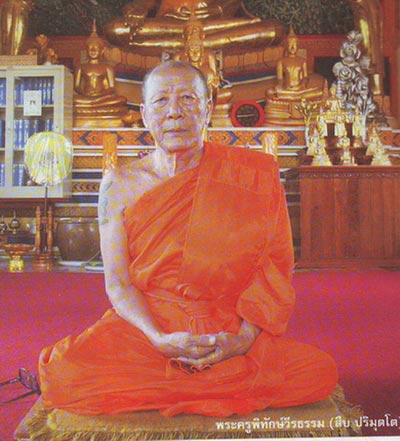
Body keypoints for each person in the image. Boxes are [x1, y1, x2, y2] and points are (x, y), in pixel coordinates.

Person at [39, 60, 338, 417]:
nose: (174, 112)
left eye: (187, 98)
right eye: (161, 100)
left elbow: (273, 269)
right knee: (65, 372)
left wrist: (243, 340)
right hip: (149, 325)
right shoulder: (119, 184)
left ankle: (195, 380)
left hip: (225, 325)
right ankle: (214, 384)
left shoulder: (251, 175)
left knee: (318, 371)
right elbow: (118, 283)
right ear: (144, 114)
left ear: (208, 109)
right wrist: (158, 338)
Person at [103, 0, 285, 57]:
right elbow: (140, 4)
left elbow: (234, 4)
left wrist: (216, 11)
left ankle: (187, 45)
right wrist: (136, 10)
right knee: (115, 29)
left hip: (212, 27)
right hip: (170, 26)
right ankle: (201, 45)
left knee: (274, 29)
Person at [74, 21, 128, 127]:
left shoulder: (107, 67)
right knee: (72, 101)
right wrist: (85, 94)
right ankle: (92, 104)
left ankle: (92, 104)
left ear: (102, 51)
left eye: (96, 48)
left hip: (102, 98)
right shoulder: (81, 67)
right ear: (86, 50)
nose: (93, 50)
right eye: (90, 48)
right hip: (86, 98)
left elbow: (111, 88)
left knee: (121, 100)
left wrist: (99, 96)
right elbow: (76, 86)